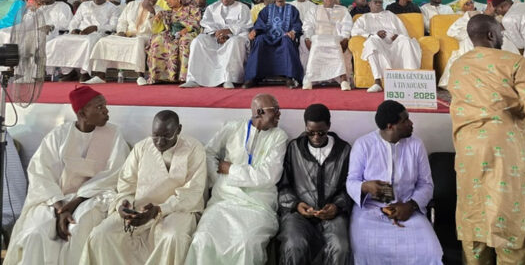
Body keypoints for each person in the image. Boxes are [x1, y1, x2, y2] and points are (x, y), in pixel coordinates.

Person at [447, 14, 525, 265]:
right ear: (491, 34)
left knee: (474, 221)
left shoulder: (458, 66)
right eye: (502, 33)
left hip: (468, 153)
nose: (504, 37)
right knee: (509, 224)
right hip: (504, 151)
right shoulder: (516, 62)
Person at [5, 86, 129, 265]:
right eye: (99, 107)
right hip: (54, 199)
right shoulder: (58, 135)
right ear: (82, 114)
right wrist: (60, 208)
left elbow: (115, 173)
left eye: (105, 105)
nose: (106, 111)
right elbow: (40, 173)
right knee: (36, 233)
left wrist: (75, 202)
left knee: (76, 229)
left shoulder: (114, 135)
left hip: (93, 198)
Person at [84, 110, 207, 265]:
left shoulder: (194, 149)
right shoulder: (141, 148)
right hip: (139, 208)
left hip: (178, 210)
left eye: (166, 136)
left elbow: (192, 193)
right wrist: (124, 204)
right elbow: (126, 185)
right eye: (155, 135)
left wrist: (159, 210)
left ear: (179, 130)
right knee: (100, 234)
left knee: (173, 237)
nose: (160, 142)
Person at [185, 94, 288, 265]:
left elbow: (269, 175)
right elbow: (209, 152)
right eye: (275, 110)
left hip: (257, 203)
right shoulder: (233, 127)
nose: (279, 114)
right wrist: (218, 177)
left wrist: (230, 170)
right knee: (202, 239)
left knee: (245, 243)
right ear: (259, 112)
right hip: (224, 200)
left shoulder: (279, 137)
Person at [346, 100, 442, 265]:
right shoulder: (363, 145)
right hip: (370, 213)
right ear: (390, 126)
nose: (411, 124)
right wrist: (365, 186)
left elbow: (426, 184)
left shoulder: (416, 145)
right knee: (362, 251)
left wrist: (411, 206)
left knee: (431, 251)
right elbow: (351, 181)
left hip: (409, 211)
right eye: (405, 121)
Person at [277, 103, 352, 265]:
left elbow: (349, 187)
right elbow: (283, 185)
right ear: (305, 127)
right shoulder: (295, 148)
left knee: (340, 247)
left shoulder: (343, 150)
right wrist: (296, 205)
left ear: (329, 126)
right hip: (298, 213)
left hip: (333, 214)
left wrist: (337, 207)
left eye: (321, 133)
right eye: (310, 133)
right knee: (293, 245)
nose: (316, 137)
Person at [181, 0, 252, 89]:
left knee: (234, 42)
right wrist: (217, 33)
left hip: (236, 36)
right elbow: (206, 23)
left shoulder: (243, 8)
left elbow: (245, 25)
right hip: (215, 37)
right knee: (197, 41)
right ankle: (194, 79)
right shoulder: (212, 7)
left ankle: (228, 79)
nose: (224, 0)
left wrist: (228, 32)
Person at [87, 0, 162, 85]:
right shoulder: (132, 5)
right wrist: (121, 31)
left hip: (145, 36)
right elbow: (122, 21)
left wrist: (152, 13)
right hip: (127, 35)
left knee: (138, 41)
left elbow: (155, 28)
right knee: (104, 41)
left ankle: (140, 75)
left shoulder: (159, 10)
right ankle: (100, 75)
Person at [45, 0, 119, 83]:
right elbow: (75, 20)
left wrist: (96, 28)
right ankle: (67, 72)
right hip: (80, 32)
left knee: (88, 42)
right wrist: (73, 29)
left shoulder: (113, 8)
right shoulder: (84, 5)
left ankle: (84, 72)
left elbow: (113, 26)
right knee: (59, 40)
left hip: (99, 33)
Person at [351, 0, 421, 93]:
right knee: (371, 42)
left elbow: (403, 31)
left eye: (380, 2)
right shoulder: (364, 18)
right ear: (369, 3)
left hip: (394, 43)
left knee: (406, 41)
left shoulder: (390, 14)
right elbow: (355, 31)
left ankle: (411, 79)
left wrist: (397, 36)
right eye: (375, 2)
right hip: (378, 42)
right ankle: (377, 82)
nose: (378, 4)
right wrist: (374, 34)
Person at [243, 0, 304, 89]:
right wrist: (255, 31)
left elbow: (297, 25)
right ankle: (253, 77)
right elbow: (259, 23)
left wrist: (293, 32)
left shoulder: (292, 9)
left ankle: (289, 77)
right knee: (259, 39)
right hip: (268, 38)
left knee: (287, 40)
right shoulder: (266, 10)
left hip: (285, 38)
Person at [146, 0, 202, 84]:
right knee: (157, 40)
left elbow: (197, 22)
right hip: (172, 34)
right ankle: (158, 76)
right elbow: (155, 29)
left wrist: (187, 28)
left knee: (185, 40)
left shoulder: (192, 8)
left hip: (189, 33)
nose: (168, 0)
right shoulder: (168, 12)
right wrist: (158, 18)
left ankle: (183, 77)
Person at [301, 0, 353, 91]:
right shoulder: (314, 10)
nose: (328, 0)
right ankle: (309, 78)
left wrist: (346, 38)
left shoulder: (343, 10)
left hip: (337, 38)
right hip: (317, 38)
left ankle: (343, 79)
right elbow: (308, 26)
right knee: (316, 42)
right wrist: (307, 38)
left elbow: (347, 25)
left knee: (334, 42)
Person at [289, 0, 317, 69]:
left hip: (309, 33)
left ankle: (308, 70)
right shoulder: (291, 5)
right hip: (294, 32)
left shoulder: (313, 6)